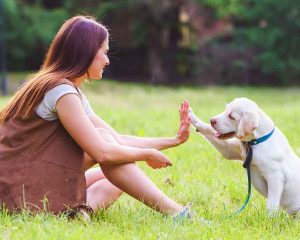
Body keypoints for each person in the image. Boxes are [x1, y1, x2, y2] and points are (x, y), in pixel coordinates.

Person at [0, 16, 191, 218]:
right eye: (105, 52)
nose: (108, 60)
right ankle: (177, 214)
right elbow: (102, 152)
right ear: (87, 52)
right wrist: (146, 155)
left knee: (120, 178)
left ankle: (76, 216)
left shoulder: (67, 89)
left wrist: (173, 141)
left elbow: (118, 141)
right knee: (113, 156)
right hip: (15, 189)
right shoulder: (60, 91)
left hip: (27, 179)